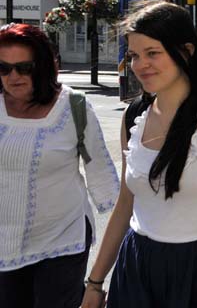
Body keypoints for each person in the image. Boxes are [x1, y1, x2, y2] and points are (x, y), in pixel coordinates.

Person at [81, 0, 197, 308]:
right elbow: (126, 204)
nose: (140, 65)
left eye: (153, 53)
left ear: (186, 52)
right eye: (134, 55)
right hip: (137, 268)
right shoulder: (133, 116)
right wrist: (95, 283)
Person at [0, 23, 119, 308]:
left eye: (24, 67)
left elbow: (101, 171)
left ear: (41, 66)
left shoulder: (73, 107)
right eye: (4, 68)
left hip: (61, 238)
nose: (13, 76)